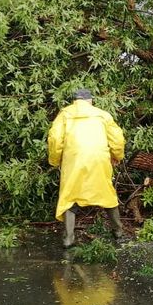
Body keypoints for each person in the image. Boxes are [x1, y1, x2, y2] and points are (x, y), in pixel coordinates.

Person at [47, 87, 127, 247]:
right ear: (90, 101)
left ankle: (68, 239)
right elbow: (117, 139)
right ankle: (118, 233)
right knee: (107, 195)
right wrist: (117, 156)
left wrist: (55, 161)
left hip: (73, 161)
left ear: (75, 101)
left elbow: (55, 139)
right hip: (99, 160)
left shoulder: (64, 115)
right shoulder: (102, 115)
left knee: (69, 197)